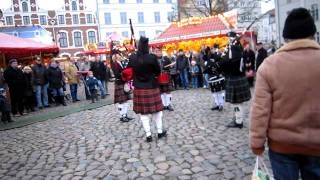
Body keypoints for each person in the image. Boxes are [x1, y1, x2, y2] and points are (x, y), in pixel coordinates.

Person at [250, 8, 320, 180]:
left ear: (285, 36)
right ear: (313, 33)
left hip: (283, 146)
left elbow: (260, 110)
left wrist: (257, 143)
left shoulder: (269, 65)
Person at [128, 36, 167, 142]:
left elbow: (128, 70)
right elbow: (158, 72)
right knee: (157, 112)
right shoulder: (152, 57)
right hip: (152, 87)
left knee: (143, 114)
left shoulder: (132, 57)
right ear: (147, 46)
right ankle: (159, 132)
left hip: (139, 88)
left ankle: (148, 135)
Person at [216, 31, 251, 128]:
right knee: (237, 102)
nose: (228, 39)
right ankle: (237, 118)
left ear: (232, 38)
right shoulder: (237, 47)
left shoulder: (234, 48)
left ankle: (238, 121)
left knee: (237, 102)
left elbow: (228, 63)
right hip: (237, 76)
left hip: (235, 77)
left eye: (229, 38)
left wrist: (220, 65)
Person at [111, 53, 133, 122]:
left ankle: (125, 115)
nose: (120, 56)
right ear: (116, 57)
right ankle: (121, 116)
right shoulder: (115, 64)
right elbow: (117, 74)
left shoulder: (120, 63)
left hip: (123, 83)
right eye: (119, 56)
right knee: (121, 102)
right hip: (119, 83)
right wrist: (124, 74)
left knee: (125, 101)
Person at [204, 44, 225, 111]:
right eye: (211, 49)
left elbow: (221, 64)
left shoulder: (218, 56)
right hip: (211, 76)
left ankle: (221, 105)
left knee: (219, 91)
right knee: (214, 92)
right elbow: (204, 58)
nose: (212, 50)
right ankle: (217, 104)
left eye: (213, 49)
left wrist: (217, 66)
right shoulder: (208, 56)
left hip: (217, 76)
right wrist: (206, 51)